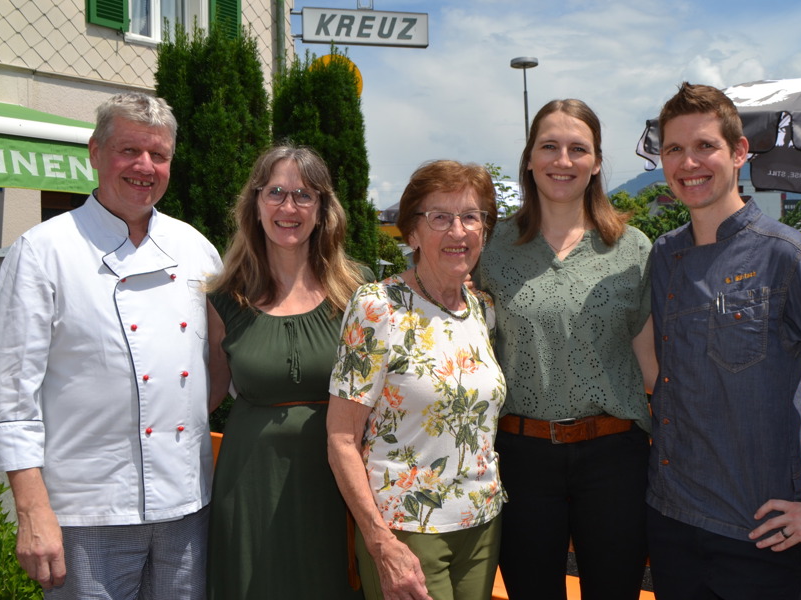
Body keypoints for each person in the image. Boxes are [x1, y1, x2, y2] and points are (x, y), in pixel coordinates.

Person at [642, 82, 801, 599]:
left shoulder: (790, 257)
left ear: (739, 152)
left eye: (705, 146)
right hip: (669, 522)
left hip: (759, 536)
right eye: (674, 149)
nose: (688, 162)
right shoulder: (664, 255)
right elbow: (663, 369)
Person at [0, 92, 222, 599]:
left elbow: (217, 363)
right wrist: (32, 511)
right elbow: (10, 398)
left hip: (186, 508)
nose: (144, 166)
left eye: (158, 155)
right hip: (85, 513)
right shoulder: (43, 251)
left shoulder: (195, 248)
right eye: (128, 151)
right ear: (95, 153)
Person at [474, 99, 655, 600]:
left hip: (614, 456)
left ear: (596, 162)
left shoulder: (632, 248)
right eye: (549, 146)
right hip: (521, 455)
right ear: (529, 158)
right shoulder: (491, 247)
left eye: (579, 149)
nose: (563, 160)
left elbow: (652, 364)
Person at [327, 160, 506, 600]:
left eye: (470, 216)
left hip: (482, 523)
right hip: (407, 530)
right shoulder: (378, 306)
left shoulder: (480, 310)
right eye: (439, 217)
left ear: (484, 230)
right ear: (412, 233)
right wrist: (379, 541)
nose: (458, 231)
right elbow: (341, 438)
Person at [205, 145, 369, 600]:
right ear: (255, 205)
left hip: (336, 481)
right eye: (275, 192)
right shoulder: (224, 299)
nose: (288, 207)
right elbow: (208, 393)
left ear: (323, 210)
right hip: (250, 480)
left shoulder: (358, 294)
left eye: (304, 195)